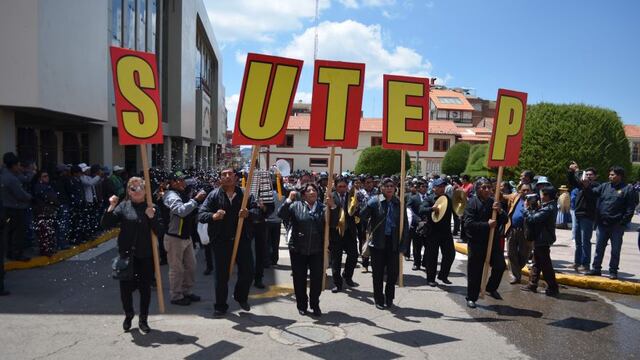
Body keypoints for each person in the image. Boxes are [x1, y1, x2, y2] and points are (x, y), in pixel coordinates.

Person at [102, 177, 164, 333]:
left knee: (145, 289)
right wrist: (111, 206)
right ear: (128, 191)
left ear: (145, 190)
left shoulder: (152, 207)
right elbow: (106, 224)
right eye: (132, 188)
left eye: (140, 188)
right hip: (126, 256)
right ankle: (128, 314)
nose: (136, 191)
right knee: (125, 290)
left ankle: (143, 319)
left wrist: (152, 217)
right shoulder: (123, 206)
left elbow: (161, 232)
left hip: (146, 256)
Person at [198, 168, 255, 316]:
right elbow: (201, 214)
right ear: (220, 178)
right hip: (221, 241)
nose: (228, 176)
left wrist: (249, 213)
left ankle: (240, 296)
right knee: (221, 276)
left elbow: (259, 212)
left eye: (230, 174)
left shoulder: (245, 194)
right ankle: (220, 305)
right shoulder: (214, 195)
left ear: (236, 177)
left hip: (242, 240)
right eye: (224, 174)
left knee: (248, 272)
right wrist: (214, 216)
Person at [278, 183, 336, 316]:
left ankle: (315, 303)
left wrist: (332, 206)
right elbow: (281, 214)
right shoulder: (295, 206)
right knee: (299, 279)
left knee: (317, 279)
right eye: (308, 190)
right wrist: (288, 200)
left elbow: (333, 224)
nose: (312, 192)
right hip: (298, 249)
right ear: (303, 194)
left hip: (317, 250)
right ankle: (302, 305)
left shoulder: (323, 207)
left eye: (314, 190)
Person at [570, 164, 636, 280]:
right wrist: (586, 186)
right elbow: (592, 193)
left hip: (617, 225)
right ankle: (596, 269)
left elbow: (630, 208)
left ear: (619, 176)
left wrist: (623, 222)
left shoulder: (627, 189)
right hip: (602, 224)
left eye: (612, 174)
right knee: (599, 248)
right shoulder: (605, 186)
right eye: (609, 174)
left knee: (615, 250)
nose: (610, 176)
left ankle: (613, 271)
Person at [360, 178, 408, 310]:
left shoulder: (399, 203)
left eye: (391, 186)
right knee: (378, 273)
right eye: (386, 186)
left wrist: (403, 244)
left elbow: (405, 225)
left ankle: (389, 298)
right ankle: (379, 299)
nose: (389, 188)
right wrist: (368, 206)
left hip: (393, 242)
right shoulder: (375, 202)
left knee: (393, 274)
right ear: (381, 188)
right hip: (378, 243)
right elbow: (362, 215)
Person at [163, 171, 206, 306]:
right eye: (181, 180)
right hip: (174, 237)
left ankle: (186, 291)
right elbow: (181, 211)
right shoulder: (170, 195)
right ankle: (176, 295)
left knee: (191, 266)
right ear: (173, 182)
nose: (184, 183)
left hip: (186, 237)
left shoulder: (182, 193)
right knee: (177, 269)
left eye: (184, 180)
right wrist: (196, 200)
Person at [463, 178, 507, 308]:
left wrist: (500, 211)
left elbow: (505, 220)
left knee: (500, 265)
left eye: (489, 187)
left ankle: (491, 288)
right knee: (475, 271)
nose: (487, 190)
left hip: (492, 241)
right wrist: (486, 225)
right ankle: (471, 297)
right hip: (476, 243)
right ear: (477, 189)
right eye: (484, 187)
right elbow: (468, 224)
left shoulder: (494, 203)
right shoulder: (472, 203)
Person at [520, 186, 560, 296]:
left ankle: (553, 287)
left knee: (545, 265)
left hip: (543, 239)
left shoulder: (549, 208)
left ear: (547, 196)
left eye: (542, 194)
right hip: (540, 238)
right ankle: (532, 284)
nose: (540, 196)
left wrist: (526, 209)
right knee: (536, 263)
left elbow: (533, 219)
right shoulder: (547, 206)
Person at [419, 178, 455, 286]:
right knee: (432, 256)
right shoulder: (429, 199)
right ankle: (430, 278)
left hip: (446, 232)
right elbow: (421, 210)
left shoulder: (448, 199)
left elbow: (455, 210)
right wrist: (431, 209)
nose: (442, 188)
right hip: (432, 232)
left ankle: (443, 275)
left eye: (443, 186)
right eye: (439, 187)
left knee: (450, 254)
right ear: (434, 188)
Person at [329, 176, 359, 293]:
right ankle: (338, 283)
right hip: (335, 232)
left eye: (344, 186)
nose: (342, 188)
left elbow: (356, 213)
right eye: (340, 186)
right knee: (336, 259)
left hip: (349, 232)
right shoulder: (330, 196)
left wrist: (357, 208)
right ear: (336, 187)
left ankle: (347, 275)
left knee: (353, 256)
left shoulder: (352, 196)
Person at [1, 152, 32, 261]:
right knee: (18, 233)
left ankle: (10, 253)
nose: (19, 167)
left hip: (6, 207)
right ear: (13, 165)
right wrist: (29, 196)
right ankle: (17, 254)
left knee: (9, 232)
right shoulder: (11, 179)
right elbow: (21, 195)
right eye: (18, 165)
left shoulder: (4, 175)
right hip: (16, 208)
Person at [566, 165, 598, 272]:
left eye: (591, 175)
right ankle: (577, 262)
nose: (588, 176)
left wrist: (587, 186)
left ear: (595, 177)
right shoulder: (581, 185)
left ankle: (585, 264)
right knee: (578, 241)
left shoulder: (596, 186)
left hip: (587, 216)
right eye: (587, 174)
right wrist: (572, 171)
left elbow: (592, 197)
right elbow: (572, 181)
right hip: (578, 214)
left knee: (585, 241)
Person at [503, 183, 533, 284]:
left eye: (527, 190)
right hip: (512, 229)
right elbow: (501, 196)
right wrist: (497, 187)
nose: (525, 192)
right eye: (523, 190)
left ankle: (517, 270)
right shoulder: (515, 197)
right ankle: (515, 276)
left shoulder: (534, 201)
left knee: (524, 255)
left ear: (531, 191)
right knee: (511, 253)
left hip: (526, 231)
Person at [32, 170, 59, 256]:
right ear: (39, 178)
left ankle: (49, 248)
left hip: (49, 211)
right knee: (44, 231)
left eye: (47, 176)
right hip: (43, 211)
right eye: (44, 176)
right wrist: (55, 201)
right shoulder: (39, 187)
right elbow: (49, 197)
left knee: (49, 230)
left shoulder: (47, 186)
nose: (47, 178)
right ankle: (45, 250)